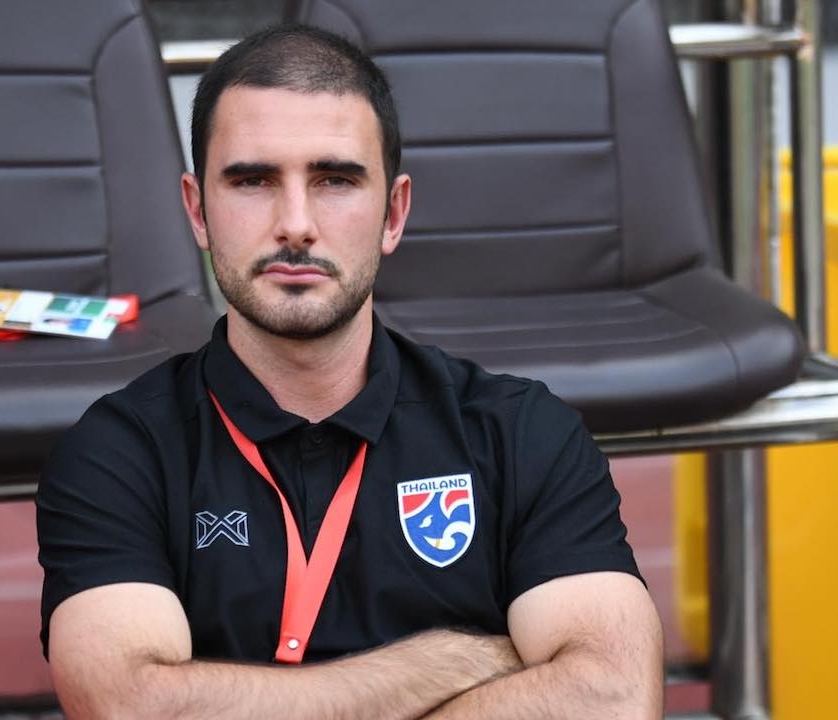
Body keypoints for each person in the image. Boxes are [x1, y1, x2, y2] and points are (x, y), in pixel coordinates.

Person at [37, 23, 663, 719]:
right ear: (198, 211)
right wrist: (456, 661)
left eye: (335, 180)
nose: (296, 223)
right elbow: (134, 707)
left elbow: (612, 697)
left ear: (393, 213)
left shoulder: (522, 433)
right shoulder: (118, 452)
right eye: (252, 181)